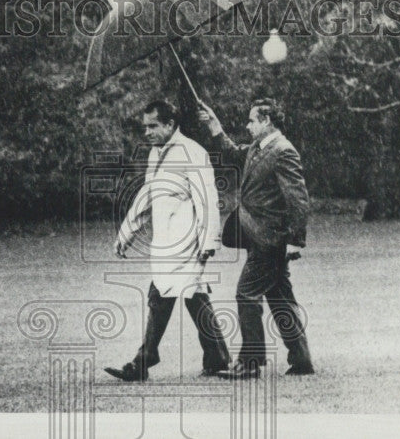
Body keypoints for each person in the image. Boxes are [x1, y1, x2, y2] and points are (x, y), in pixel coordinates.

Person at [104, 100, 231, 381]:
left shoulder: (192, 152)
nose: (147, 132)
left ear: (171, 125)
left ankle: (144, 360)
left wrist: (209, 241)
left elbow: (207, 200)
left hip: (187, 242)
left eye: (153, 126)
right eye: (145, 127)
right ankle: (217, 357)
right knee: (191, 297)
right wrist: (127, 231)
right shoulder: (155, 154)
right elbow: (148, 195)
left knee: (162, 295)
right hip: (166, 242)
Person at [197, 98, 314, 379]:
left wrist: (295, 240)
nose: (248, 126)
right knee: (279, 297)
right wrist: (215, 127)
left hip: (270, 240)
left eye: (252, 121)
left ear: (267, 121)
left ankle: (250, 363)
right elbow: (236, 153)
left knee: (246, 293)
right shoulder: (259, 149)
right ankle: (301, 358)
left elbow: (298, 199)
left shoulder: (283, 151)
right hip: (259, 237)